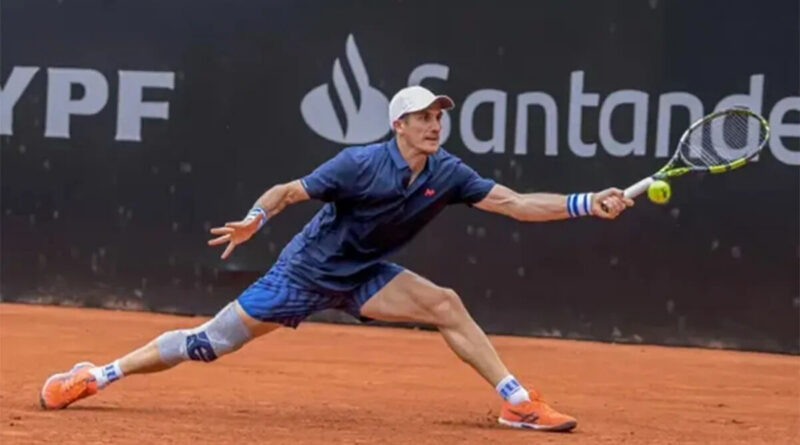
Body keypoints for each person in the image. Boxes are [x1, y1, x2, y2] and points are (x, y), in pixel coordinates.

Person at [40, 86, 633, 432]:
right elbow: (288, 191)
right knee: (207, 345)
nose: (435, 125)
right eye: (424, 117)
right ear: (397, 124)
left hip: (365, 277)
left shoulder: (449, 172)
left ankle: (515, 402)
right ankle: (96, 376)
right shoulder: (358, 163)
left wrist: (587, 203)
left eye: (439, 116)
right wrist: (255, 219)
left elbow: (519, 203)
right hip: (304, 274)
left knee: (446, 304)